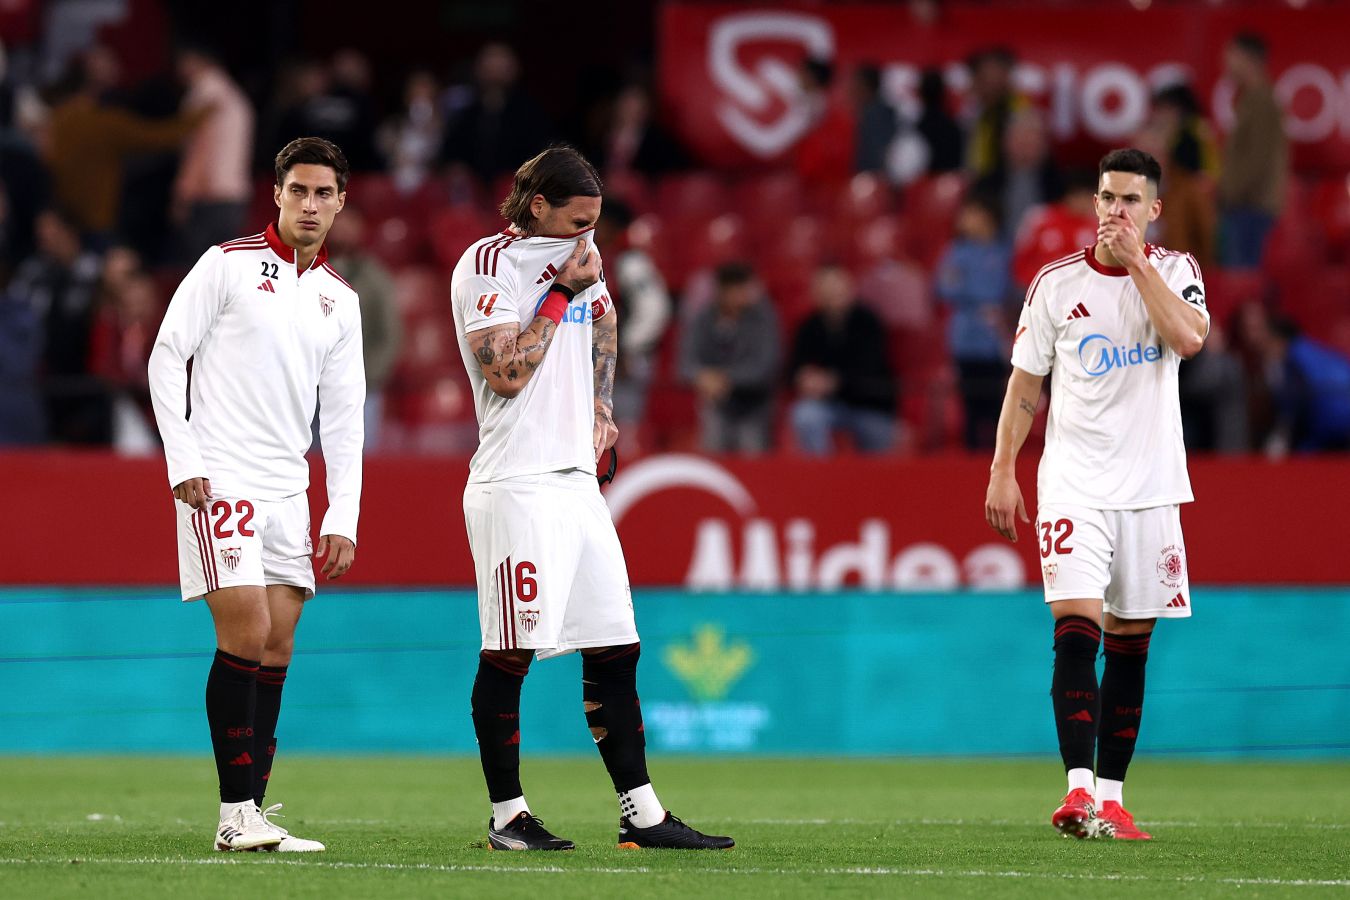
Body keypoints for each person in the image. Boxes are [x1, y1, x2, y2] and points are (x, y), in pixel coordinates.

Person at [450, 145, 732, 851]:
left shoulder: (583, 258)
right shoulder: (488, 264)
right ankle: (507, 817)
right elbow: (507, 372)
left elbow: (603, 320)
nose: (588, 236)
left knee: (615, 647)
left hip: (576, 482)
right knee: (510, 651)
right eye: (577, 221)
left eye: (594, 223)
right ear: (537, 205)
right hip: (517, 482)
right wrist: (559, 294)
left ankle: (642, 814)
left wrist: (603, 405)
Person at [147, 137, 365, 853]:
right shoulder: (227, 264)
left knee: (276, 643)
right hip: (221, 477)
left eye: (323, 193)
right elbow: (166, 355)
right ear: (276, 194)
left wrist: (342, 513)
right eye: (298, 191)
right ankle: (234, 813)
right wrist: (182, 458)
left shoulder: (341, 301)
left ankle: (253, 814)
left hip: (288, 491)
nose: (310, 205)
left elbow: (344, 417)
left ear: (341, 201)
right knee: (244, 632)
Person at [984, 149, 1208, 841]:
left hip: (1151, 489)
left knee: (1132, 644)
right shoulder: (1054, 284)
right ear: (1095, 202)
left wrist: (1138, 265)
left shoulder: (1177, 272)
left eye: (1130, 200)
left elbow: (1189, 339)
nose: (1116, 211)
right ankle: (1077, 791)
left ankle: (1112, 799)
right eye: (1108, 197)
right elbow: (1025, 384)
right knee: (1075, 630)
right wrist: (1002, 469)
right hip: (1073, 484)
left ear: (1154, 209)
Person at [788, 263, 897, 454]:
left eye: (837, 289)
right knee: (805, 415)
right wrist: (804, 378)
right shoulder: (809, 326)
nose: (833, 295)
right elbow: (794, 368)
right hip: (828, 404)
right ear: (817, 294)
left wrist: (833, 381)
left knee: (878, 438)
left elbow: (870, 367)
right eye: (826, 290)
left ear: (850, 290)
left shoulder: (868, 321)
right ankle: (819, 470)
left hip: (869, 404)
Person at [936, 192, 1013, 449]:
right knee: (969, 404)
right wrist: (980, 297)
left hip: (996, 338)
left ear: (988, 217)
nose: (964, 219)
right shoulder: (956, 252)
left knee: (996, 404)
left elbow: (1010, 288)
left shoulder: (1004, 252)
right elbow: (945, 287)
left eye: (971, 213)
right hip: (965, 338)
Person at [679, 261, 781, 455]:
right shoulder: (703, 319)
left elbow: (765, 367)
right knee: (713, 447)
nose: (744, 295)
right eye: (737, 290)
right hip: (716, 403)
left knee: (751, 456)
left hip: (754, 405)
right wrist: (701, 376)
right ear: (722, 291)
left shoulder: (763, 319)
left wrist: (725, 378)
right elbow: (685, 364)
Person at [325, 207, 401, 451]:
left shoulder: (374, 278)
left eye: (348, 225)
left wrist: (366, 378)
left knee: (357, 459)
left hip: (360, 389)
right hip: (308, 388)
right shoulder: (303, 270)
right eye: (337, 223)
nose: (341, 231)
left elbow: (389, 335)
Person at [172, 43, 255, 262]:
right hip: (235, 194)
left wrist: (183, 193)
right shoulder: (236, 96)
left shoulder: (203, 94)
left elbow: (200, 146)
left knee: (202, 271)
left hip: (208, 195)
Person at [1217, 32, 1287, 269]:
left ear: (1249, 59)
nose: (1226, 63)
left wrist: (1229, 192)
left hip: (1250, 208)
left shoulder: (1261, 101)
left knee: (1244, 281)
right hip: (1245, 206)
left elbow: (1258, 158)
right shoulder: (1251, 99)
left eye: (1231, 56)